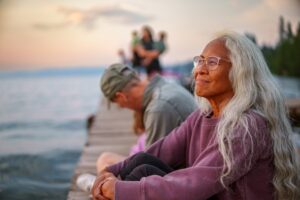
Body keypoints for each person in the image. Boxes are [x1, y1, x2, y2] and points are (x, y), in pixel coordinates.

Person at [91, 31, 300, 200]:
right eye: (199, 61)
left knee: (137, 179)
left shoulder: (247, 126)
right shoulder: (203, 116)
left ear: (239, 72)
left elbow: (195, 182)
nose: (200, 69)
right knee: (143, 163)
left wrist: (119, 190)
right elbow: (161, 151)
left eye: (212, 62)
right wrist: (110, 170)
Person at [100, 63, 197, 147]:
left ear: (121, 96)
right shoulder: (166, 86)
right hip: (195, 160)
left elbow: (151, 164)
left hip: (191, 165)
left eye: (117, 103)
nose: (120, 107)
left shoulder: (158, 108)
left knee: (106, 160)